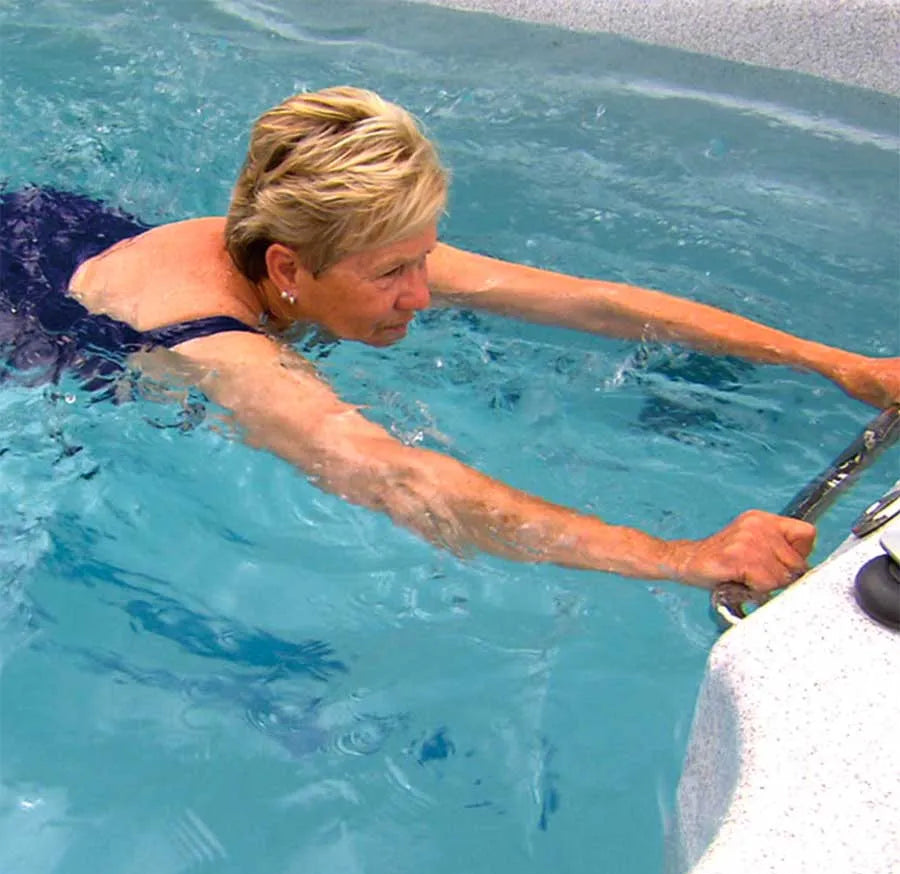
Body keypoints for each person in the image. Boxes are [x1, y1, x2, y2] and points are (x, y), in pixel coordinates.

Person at [5, 86, 898, 592]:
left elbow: (596, 304)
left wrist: (840, 365)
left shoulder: (335, 242)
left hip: (80, 229)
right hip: (33, 303)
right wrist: (687, 558)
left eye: (425, 258)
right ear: (289, 268)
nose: (424, 294)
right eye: (394, 273)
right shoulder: (225, 354)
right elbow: (398, 477)